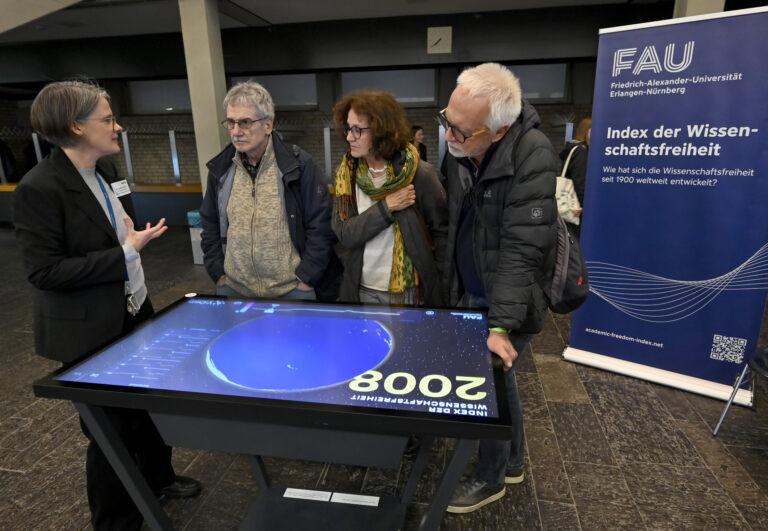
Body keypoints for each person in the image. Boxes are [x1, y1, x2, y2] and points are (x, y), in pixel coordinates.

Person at [12, 80, 201, 530]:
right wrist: (125, 253)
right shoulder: (39, 189)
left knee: (150, 407)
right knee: (110, 429)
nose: (118, 127)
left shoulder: (107, 169)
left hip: (135, 310)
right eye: (108, 119)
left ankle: (158, 478)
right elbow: (44, 273)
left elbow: (117, 226)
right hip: (89, 330)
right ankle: (115, 520)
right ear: (76, 127)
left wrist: (132, 242)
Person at [439, 63, 558, 513]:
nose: (448, 136)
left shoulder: (533, 155)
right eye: (446, 120)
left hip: (512, 297)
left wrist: (501, 326)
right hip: (476, 288)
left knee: (485, 384)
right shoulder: (464, 146)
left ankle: (490, 479)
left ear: (499, 130)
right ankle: (513, 462)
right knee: (501, 384)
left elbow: (522, 250)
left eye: (460, 131)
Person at [200, 80, 340, 301]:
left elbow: (321, 226)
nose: (236, 131)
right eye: (231, 122)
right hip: (234, 289)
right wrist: (219, 273)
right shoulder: (222, 170)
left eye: (245, 122)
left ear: (268, 125)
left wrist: (306, 278)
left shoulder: (299, 166)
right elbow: (209, 222)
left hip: (292, 290)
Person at [331, 91, 447, 306]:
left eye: (358, 130)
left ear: (381, 131)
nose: (349, 137)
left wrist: (437, 282)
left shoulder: (419, 174)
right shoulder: (346, 176)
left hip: (408, 292)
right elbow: (345, 234)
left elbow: (442, 234)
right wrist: (386, 207)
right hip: (360, 289)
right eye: (348, 128)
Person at [559, 117, 591, 237]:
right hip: (575, 207)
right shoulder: (581, 151)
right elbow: (579, 181)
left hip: (568, 203)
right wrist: (583, 205)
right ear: (585, 131)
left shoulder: (574, 148)